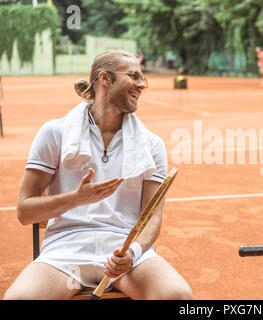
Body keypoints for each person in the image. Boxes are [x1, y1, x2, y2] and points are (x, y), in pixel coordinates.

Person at [4, 50, 193, 300]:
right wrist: (75, 198)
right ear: (105, 79)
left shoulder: (152, 144)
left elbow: (152, 218)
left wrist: (133, 253)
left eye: (142, 77)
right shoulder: (54, 133)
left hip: (126, 256)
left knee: (178, 296)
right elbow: (25, 212)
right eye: (133, 75)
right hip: (65, 252)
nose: (141, 84)